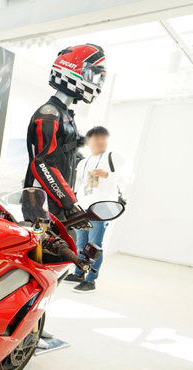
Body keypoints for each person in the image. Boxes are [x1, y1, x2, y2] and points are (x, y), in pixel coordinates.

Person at [24, 44, 107, 221]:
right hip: (43, 205)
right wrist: (69, 203)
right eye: (92, 75)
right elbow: (42, 163)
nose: (97, 83)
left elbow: (65, 158)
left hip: (56, 204)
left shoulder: (64, 115)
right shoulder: (49, 114)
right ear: (73, 70)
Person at [65, 126, 133, 293]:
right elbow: (78, 185)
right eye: (96, 138)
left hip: (102, 210)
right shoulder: (83, 162)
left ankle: (90, 280)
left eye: (103, 138)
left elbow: (128, 177)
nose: (100, 141)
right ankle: (79, 273)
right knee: (81, 243)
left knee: (94, 245)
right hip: (83, 209)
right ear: (89, 141)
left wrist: (108, 175)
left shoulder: (114, 157)